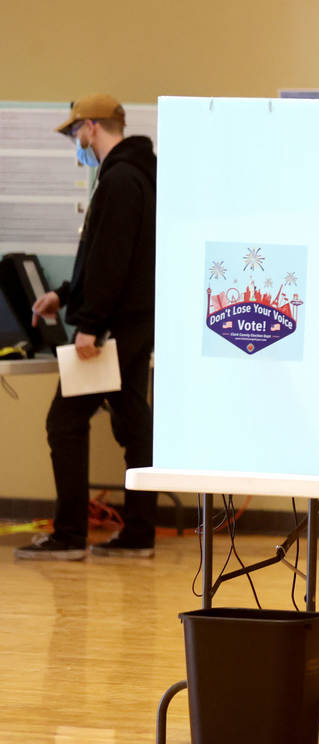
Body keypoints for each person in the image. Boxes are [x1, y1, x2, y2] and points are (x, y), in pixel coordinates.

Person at [16, 94, 158, 561]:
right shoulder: (139, 174)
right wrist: (65, 293)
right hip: (132, 329)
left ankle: (70, 535)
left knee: (65, 423)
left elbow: (110, 261)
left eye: (75, 132)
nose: (75, 142)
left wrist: (89, 326)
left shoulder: (118, 179)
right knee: (135, 424)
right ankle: (138, 533)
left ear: (92, 127)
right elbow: (104, 257)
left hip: (110, 334)